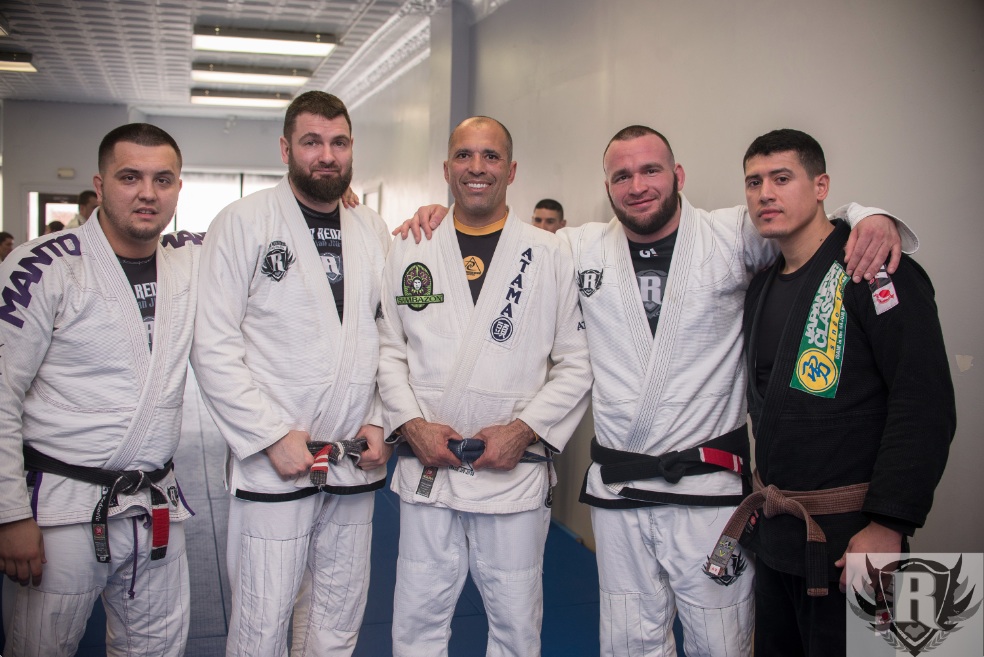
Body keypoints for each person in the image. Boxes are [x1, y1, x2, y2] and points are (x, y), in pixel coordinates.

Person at [395, 124, 915, 657]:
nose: (637, 185)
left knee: (723, 642)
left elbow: (803, 219)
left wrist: (867, 216)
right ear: (608, 185)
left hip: (709, 493)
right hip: (620, 494)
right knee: (628, 643)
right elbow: (500, 241)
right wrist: (438, 220)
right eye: (622, 175)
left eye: (650, 171)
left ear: (678, 175)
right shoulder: (577, 248)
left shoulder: (731, 235)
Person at [705, 128, 953, 656]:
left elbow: (924, 403)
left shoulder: (873, 269)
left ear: (821, 186)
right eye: (753, 182)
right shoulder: (763, 287)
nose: (765, 193)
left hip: (857, 537)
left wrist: (889, 524)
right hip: (779, 536)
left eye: (781, 178)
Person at [377, 116, 592, 657]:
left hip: (512, 474)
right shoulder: (410, 246)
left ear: (512, 170)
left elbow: (576, 360)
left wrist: (526, 430)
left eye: (491, 157)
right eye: (466, 156)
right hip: (430, 465)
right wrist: (410, 425)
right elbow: (387, 348)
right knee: (417, 619)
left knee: (517, 625)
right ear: (447, 168)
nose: (478, 168)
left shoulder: (550, 254)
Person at [190, 91, 392, 657]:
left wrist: (380, 419)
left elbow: (387, 334)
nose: (326, 155)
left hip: (353, 459)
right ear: (286, 148)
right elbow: (214, 344)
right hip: (275, 462)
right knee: (262, 618)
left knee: (339, 613)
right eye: (312, 142)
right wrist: (270, 436)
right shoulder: (243, 222)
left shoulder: (371, 229)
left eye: (339, 142)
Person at [0, 123, 200, 657]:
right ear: (100, 182)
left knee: (158, 649)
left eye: (163, 179)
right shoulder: (43, 266)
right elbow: (0, 396)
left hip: (156, 502)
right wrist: (10, 513)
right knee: (39, 648)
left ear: (179, 188)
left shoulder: (192, 260)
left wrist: (334, 201)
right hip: (62, 507)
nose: (147, 192)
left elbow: (270, 243)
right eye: (129, 176)